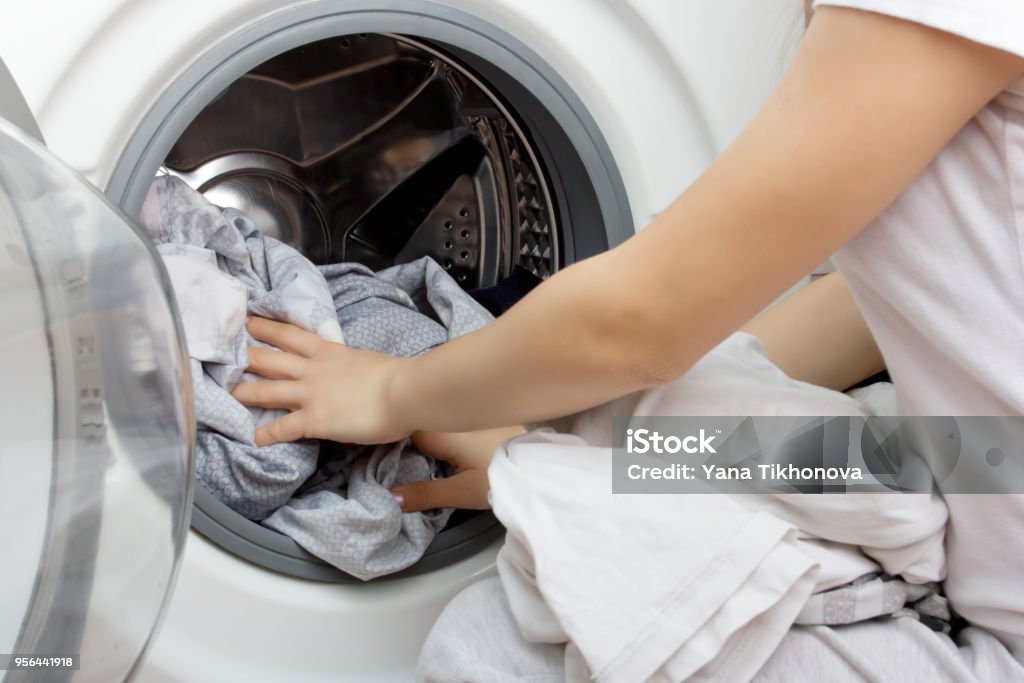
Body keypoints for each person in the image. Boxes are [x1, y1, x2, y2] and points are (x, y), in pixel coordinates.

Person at [232, 1, 1024, 680]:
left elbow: (644, 320)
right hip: (977, 462)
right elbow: (887, 311)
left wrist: (394, 389)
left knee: (505, 646)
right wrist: (563, 441)